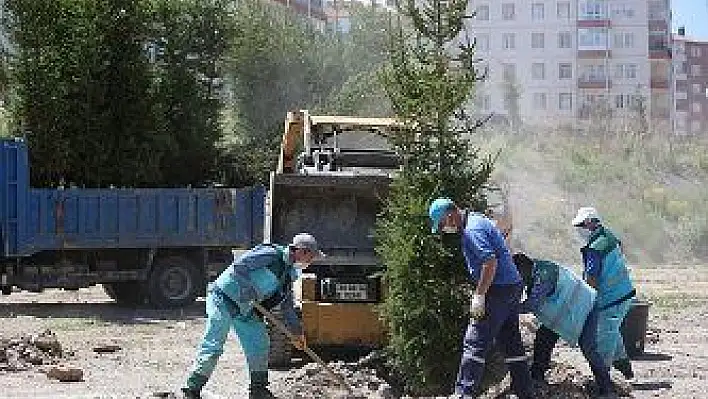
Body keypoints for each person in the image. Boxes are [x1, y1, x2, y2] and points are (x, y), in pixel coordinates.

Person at [181, 233, 325, 399]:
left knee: (260, 343)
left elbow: (287, 307)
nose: (311, 260)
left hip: (246, 309)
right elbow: (239, 267)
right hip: (223, 298)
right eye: (312, 256)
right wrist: (246, 288)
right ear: (302, 251)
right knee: (214, 343)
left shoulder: (288, 274)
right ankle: (192, 389)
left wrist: (297, 333)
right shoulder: (271, 254)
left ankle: (258, 390)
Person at [428, 198, 533, 399]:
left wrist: (479, 294)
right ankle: (525, 391)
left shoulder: (472, 231)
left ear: (450, 216)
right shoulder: (476, 219)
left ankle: (464, 393)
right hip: (512, 286)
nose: (443, 230)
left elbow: (489, 263)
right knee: (511, 341)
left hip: (498, 289)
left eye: (442, 225)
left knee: (474, 340)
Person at [512, 253, 615, 397]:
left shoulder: (543, 276)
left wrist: (508, 309)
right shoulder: (534, 269)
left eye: (516, 275)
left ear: (522, 269)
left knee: (588, 349)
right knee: (543, 338)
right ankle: (537, 378)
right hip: (567, 310)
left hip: (586, 308)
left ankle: (607, 389)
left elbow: (533, 304)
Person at [572, 207, 636, 380]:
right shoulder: (608, 235)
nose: (579, 229)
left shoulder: (595, 247)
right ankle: (624, 367)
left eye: (581, 225)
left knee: (604, 335)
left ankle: (604, 376)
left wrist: (586, 300)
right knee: (612, 330)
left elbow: (592, 277)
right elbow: (620, 249)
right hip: (624, 292)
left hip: (611, 298)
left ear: (590, 223)